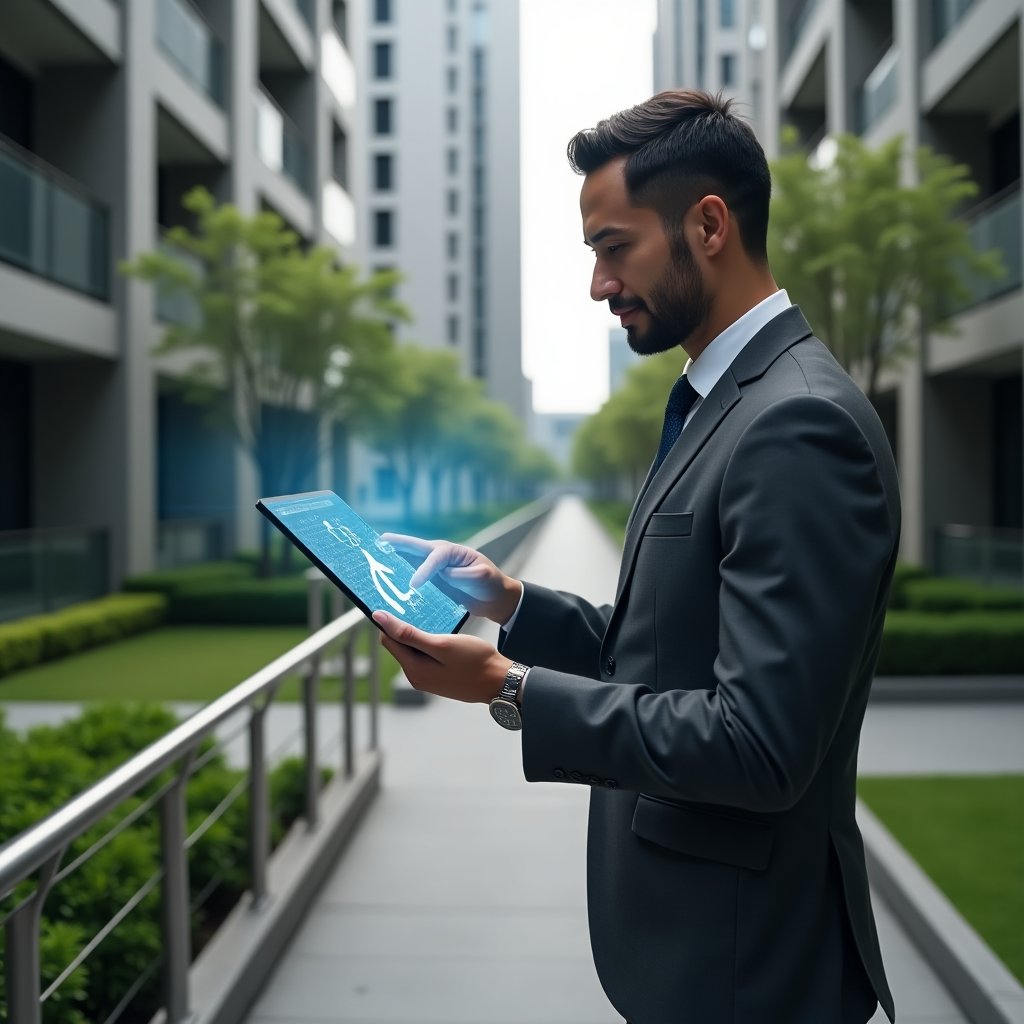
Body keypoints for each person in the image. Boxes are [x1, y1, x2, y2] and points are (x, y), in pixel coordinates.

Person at [371, 89, 900, 1024]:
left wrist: (508, 688)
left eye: (614, 249)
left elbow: (760, 745)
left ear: (708, 226)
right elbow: (672, 643)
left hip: (745, 973)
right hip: (700, 952)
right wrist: (510, 602)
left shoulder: (798, 424)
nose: (598, 284)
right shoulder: (722, 398)